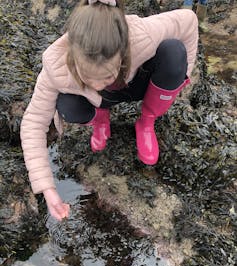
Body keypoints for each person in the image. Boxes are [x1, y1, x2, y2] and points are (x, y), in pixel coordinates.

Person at [20, 0, 198, 221]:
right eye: (87, 77)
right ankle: (100, 119)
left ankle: (146, 121)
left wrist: (184, 75)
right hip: (98, 102)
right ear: (72, 58)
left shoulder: (142, 35)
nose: (96, 84)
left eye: (105, 76)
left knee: (173, 52)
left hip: (136, 84)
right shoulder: (56, 67)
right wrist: (48, 189)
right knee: (66, 105)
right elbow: (33, 123)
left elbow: (189, 20)